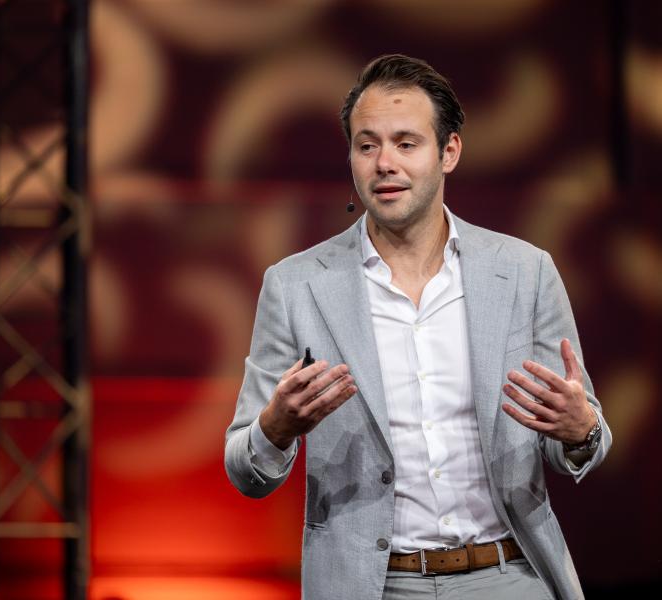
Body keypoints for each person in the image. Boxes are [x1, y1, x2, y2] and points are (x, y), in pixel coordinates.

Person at [225, 54, 611, 600]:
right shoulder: (296, 286)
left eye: (407, 143)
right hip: (371, 584)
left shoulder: (525, 271)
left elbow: (585, 441)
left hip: (508, 574)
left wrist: (579, 430)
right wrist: (275, 428)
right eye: (367, 145)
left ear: (448, 151)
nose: (385, 163)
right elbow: (245, 469)